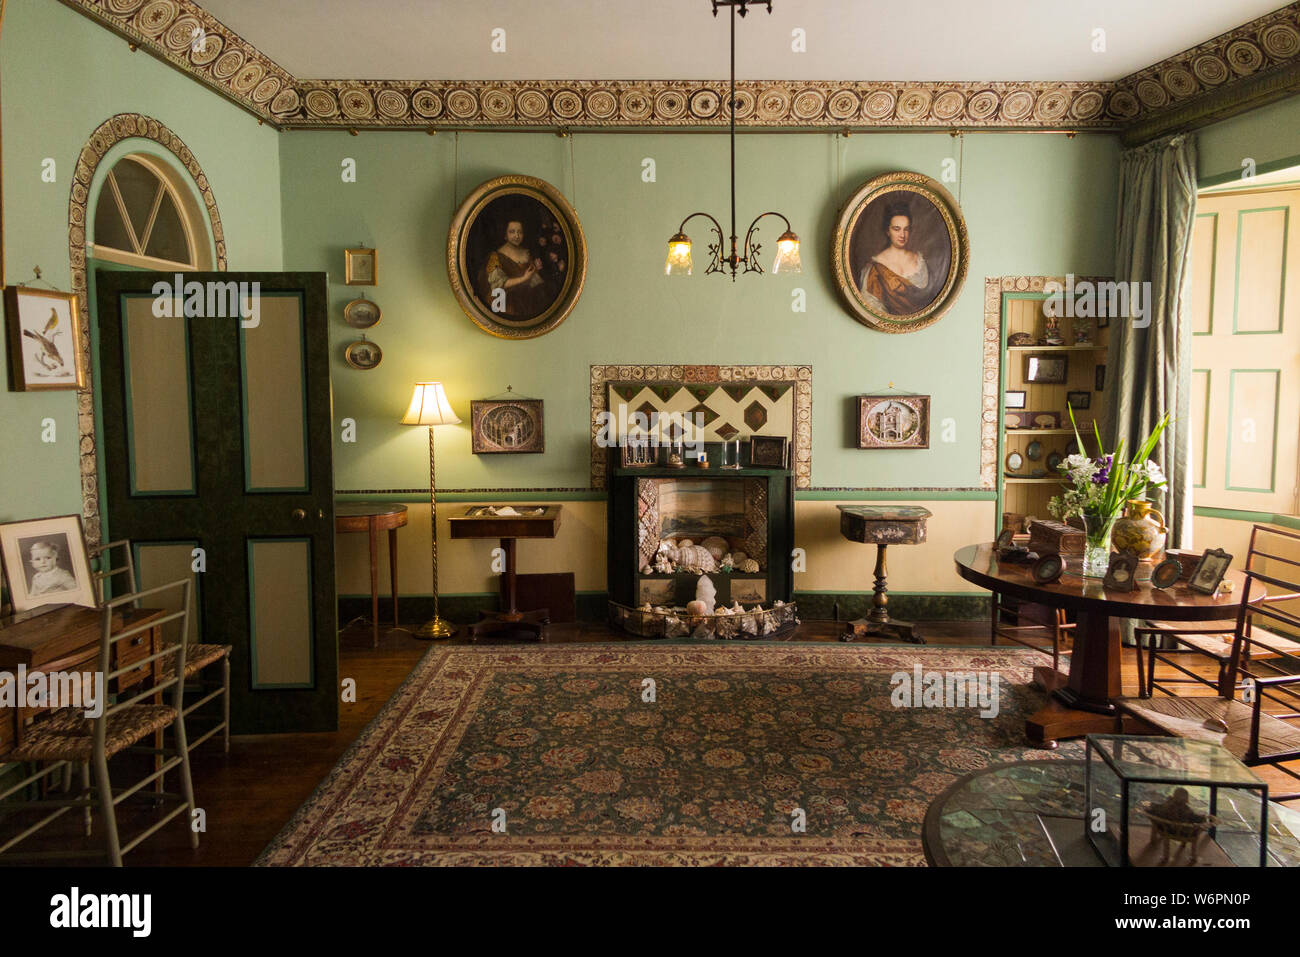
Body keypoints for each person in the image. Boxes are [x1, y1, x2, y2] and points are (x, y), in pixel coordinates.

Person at [858, 200, 934, 316]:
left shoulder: (920, 261)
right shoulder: (876, 269)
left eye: (906, 229)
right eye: (896, 229)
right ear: (888, 231)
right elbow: (872, 308)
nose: (902, 235)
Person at [480, 220, 548, 320]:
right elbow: (499, 284)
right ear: (505, 235)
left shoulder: (527, 253)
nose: (517, 236)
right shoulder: (496, 256)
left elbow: (534, 279)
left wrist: (537, 270)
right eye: (512, 232)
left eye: (520, 232)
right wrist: (524, 278)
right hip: (504, 301)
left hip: (526, 299)